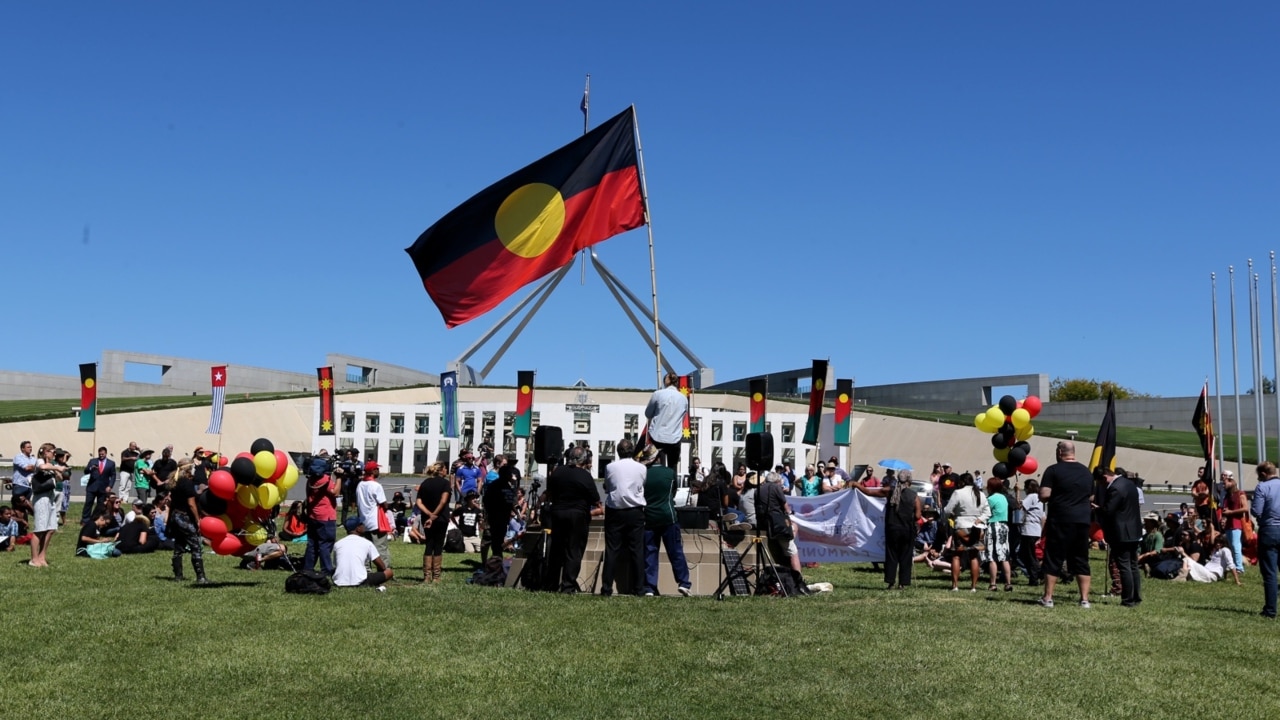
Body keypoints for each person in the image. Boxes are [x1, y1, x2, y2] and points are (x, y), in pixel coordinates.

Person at [1038, 441, 1095, 608]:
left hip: (1060, 519)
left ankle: (1048, 598)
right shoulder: (1086, 471)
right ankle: (1084, 599)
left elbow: (1044, 494)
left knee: (1054, 557)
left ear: (1060, 452)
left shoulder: (1053, 470)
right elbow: (1091, 497)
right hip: (1082, 520)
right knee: (1081, 558)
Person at [543, 445, 603, 593]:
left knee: (556, 550)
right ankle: (568, 586)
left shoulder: (557, 472)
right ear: (583, 459)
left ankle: (551, 584)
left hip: (557, 513)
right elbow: (595, 500)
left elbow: (549, 493)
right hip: (577, 515)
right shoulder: (585, 476)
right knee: (573, 551)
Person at [640, 443, 691, 596]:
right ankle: (684, 583)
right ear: (657, 458)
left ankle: (649, 586)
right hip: (668, 515)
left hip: (649, 517)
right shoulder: (669, 472)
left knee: (650, 553)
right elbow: (673, 492)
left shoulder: (643, 474)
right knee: (675, 551)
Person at [857, 468, 920, 589]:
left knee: (891, 556)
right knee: (905, 557)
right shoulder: (914, 496)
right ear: (909, 480)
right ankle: (902, 583)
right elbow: (917, 516)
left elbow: (869, 492)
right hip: (907, 530)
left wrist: (856, 485)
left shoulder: (890, 491)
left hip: (892, 529)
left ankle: (891, 582)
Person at [601, 437, 648, 597]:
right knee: (637, 550)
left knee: (612, 550)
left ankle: (606, 588)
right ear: (633, 451)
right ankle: (639, 588)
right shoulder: (641, 468)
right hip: (635, 510)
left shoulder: (610, 467)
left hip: (615, 510)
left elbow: (608, 486)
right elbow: (641, 485)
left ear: (618, 452)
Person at [754, 470, 810, 594]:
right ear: (777, 481)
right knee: (792, 550)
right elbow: (785, 506)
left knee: (789, 538)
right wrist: (790, 513)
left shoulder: (758, 490)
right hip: (778, 525)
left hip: (764, 525)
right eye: (780, 482)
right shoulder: (775, 488)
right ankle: (799, 581)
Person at [1098, 465, 1143, 607]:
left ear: (1105, 477)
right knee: (1133, 565)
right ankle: (1136, 596)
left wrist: (1098, 510)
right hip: (1134, 530)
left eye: (1101, 482)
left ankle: (1127, 599)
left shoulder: (1115, 488)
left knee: (1124, 566)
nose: (1101, 485)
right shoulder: (1129, 484)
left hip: (1121, 532)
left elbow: (1109, 511)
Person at [943, 472, 989, 592]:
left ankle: (955, 585)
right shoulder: (980, 493)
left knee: (957, 556)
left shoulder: (958, 493)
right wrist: (978, 520)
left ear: (962, 482)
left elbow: (947, 510)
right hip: (977, 527)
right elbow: (987, 512)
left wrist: (953, 514)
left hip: (961, 526)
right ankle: (973, 586)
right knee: (974, 557)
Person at [168, 462, 208, 583]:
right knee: (195, 545)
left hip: (175, 516)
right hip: (184, 518)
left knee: (179, 546)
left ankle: (178, 575)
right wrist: (197, 520)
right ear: (188, 470)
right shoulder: (187, 483)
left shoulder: (175, 482)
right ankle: (200, 577)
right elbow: (191, 504)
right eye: (193, 468)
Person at [27, 442, 65, 568]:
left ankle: (42, 556)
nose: (54, 454)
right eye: (52, 452)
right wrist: (55, 468)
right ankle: (34, 558)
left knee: (51, 528)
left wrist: (58, 471)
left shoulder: (52, 465)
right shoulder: (39, 461)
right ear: (45, 452)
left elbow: (59, 479)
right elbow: (42, 468)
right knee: (40, 529)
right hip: (41, 498)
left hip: (51, 498)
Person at [1251, 461, 1280, 618]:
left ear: (1263, 474)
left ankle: (1270, 610)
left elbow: (1256, 510)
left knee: (1270, 573)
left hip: (1269, 529)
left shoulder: (1263, 487)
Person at [333, 516, 394, 590]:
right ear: (357, 528)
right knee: (389, 572)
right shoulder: (367, 543)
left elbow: (336, 565)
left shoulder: (338, 544)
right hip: (360, 581)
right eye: (361, 524)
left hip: (339, 582)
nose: (364, 526)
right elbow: (382, 566)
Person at [416, 462, 452, 583]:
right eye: (445, 468)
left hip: (426, 518)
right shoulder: (445, 483)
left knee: (429, 544)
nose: (446, 470)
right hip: (440, 517)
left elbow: (419, 503)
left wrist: (429, 515)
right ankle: (436, 577)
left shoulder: (425, 483)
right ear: (441, 471)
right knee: (438, 545)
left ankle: (426, 576)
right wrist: (434, 516)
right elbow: (443, 501)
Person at [644, 372, 688, 470]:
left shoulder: (657, 394)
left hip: (657, 436)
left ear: (665, 382)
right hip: (674, 437)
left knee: (657, 467)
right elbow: (683, 415)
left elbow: (648, 414)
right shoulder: (683, 398)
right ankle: (673, 484)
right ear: (677, 383)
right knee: (673, 467)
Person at [304, 457, 338, 576]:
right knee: (325, 543)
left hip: (313, 515)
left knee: (312, 543)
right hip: (325, 517)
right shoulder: (324, 479)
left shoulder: (311, 480)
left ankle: (308, 568)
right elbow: (335, 492)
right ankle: (327, 569)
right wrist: (339, 478)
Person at [356, 460, 391, 567]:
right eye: (377, 469)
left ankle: (366, 570)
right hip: (376, 522)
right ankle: (384, 570)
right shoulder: (376, 486)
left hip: (363, 521)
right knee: (381, 547)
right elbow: (384, 504)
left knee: (366, 548)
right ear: (373, 471)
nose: (379, 471)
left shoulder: (360, 484)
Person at [482, 456, 517, 561]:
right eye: (508, 474)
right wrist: (490, 513)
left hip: (504, 518)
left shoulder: (508, 486)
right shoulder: (495, 486)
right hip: (495, 518)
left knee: (500, 539)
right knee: (493, 539)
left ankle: (498, 558)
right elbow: (486, 500)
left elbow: (510, 502)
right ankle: (495, 560)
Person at [982, 476, 1013, 592]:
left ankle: (993, 584)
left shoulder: (990, 499)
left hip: (994, 526)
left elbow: (984, 512)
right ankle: (1008, 583)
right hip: (1004, 526)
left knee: (992, 556)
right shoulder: (1004, 498)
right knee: (1004, 555)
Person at [1220, 471, 1248, 574]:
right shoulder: (1227, 496)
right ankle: (1235, 565)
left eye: (1225, 483)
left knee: (1236, 546)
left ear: (1231, 482)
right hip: (1228, 523)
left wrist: (1231, 512)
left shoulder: (1240, 494)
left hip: (1236, 523)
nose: (1223, 485)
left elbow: (1245, 508)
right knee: (1232, 545)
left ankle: (1239, 568)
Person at [1019, 479, 1044, 587]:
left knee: (1028, 556)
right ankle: (1039, 573)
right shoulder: (1040, 498)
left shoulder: (1031, 496)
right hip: (1036, 529)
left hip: (1028, 530)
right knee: (1025, 554)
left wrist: (1017, 492)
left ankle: (1037, 575)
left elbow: (1020, 506)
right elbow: (1043, 517)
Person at [82, 447, 115, 524]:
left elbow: (113, 475)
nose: (101, 455)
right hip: (92, 487)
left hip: (103, 488)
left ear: (106, 453)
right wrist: (91, 468)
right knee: (88, 503)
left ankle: (96, 519)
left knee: (100, 506)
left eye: (103, 454)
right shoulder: (93, 461)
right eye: (100, 454)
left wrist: (110, 486)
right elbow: (86, 471)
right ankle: (85, 520)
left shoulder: (111, 463)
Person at [11, 440, 36, 508]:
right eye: (28, 447)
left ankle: (24, 518)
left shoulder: (33, 458)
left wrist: (32, 467)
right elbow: (26, 468)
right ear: (22, 448)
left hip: (29, 485)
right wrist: (33, 467)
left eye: (31, 447)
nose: (30, 448)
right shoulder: (18, 457)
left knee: (25, 506)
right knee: (17, 505)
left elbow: (37, 468)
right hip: (19, 484)